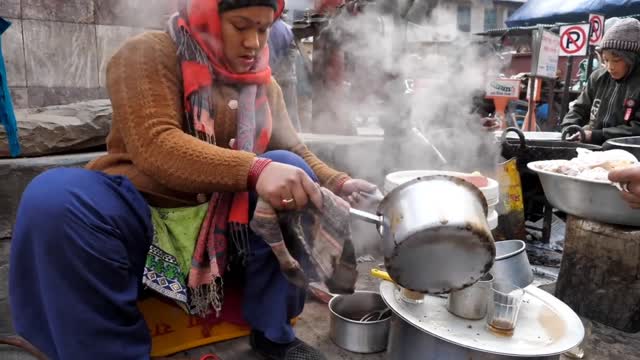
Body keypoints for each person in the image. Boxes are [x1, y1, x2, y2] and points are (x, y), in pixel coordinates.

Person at [8, 1, 376, 359]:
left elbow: (293, 147)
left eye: (263, 29)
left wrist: (339, 182)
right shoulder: (146, 55)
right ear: (206, 17)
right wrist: (255, 169)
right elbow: (156, 144)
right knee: (53, 200)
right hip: (144, 218)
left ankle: (273, 332)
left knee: (290, 168)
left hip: (228, 231)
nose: (255, 43)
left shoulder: (263, 83)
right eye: (241, 26)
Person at [562, 18, 640, 145]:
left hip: (628, 153)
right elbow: (579, 109)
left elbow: (637, 128)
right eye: (606, 60)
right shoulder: (598, 77)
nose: (610, 67)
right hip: (591, 148)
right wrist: (570, 127)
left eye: (616, 60)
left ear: (633, 59)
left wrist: (596, 135)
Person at [268, 12, 302, 131]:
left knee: (273, 117)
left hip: (272, 79)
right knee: (291, 116)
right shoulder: (287, 28)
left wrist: (272, 73)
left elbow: (270, 57)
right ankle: (297, 143)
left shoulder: (268, 28)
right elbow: (292, 55)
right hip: (288, 79)